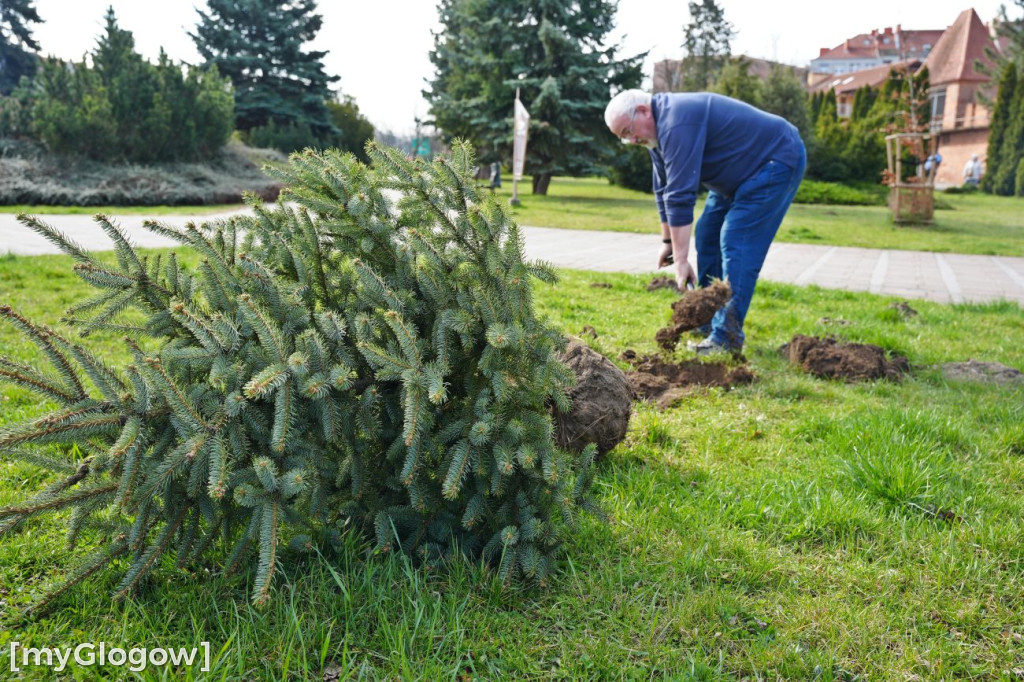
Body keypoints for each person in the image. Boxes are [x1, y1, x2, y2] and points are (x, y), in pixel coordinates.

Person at [604, 89, 806, 355]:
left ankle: (726, 338)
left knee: (737, 239)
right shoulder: (656, 135)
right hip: (738, 174)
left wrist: (681, 260)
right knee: (707, 232)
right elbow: (663, 190)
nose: (631, 140)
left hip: (774, 160)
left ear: (643, 111)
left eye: (628, 131)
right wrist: (668, 242)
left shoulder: (677, 121)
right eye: (623, 137)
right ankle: (707, 319)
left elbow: (681, 194)